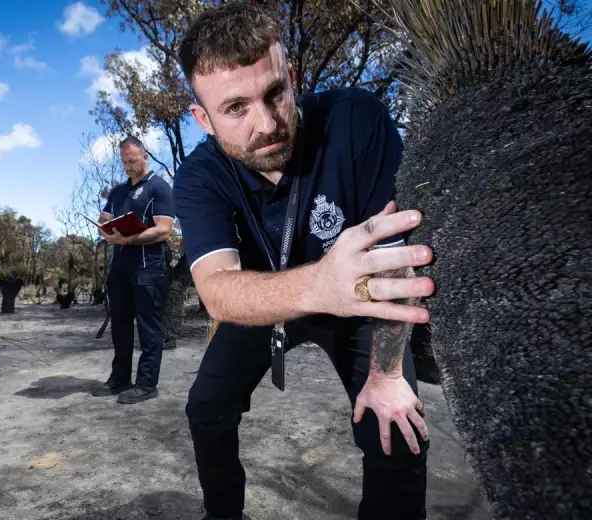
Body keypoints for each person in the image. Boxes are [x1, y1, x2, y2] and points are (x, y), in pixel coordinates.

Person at [173, 5, 436, 520]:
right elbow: (218, 290)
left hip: (362, 301)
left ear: (291, 77)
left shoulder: (357, 119)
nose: (266, 123)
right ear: (203, 119)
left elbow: (396, 253)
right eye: (235, 108)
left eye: (275, 93)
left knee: (397, 427)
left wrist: (387, 376)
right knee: (206, 407)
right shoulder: (199, 176)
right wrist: (318, 285)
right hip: (272, 301)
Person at [91, 136, 175, 404]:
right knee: (120, 325)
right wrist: (104, 229)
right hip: (120, 268)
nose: (128, 166)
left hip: (147, 267)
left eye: (133, 161)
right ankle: (120, 379)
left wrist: (128, 239)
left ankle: (147, 384)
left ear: (145, 156)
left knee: (149, 328)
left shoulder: (159, 187)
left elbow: (164, 230)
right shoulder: (117, 192)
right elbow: (105, 219)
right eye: (124, 162)